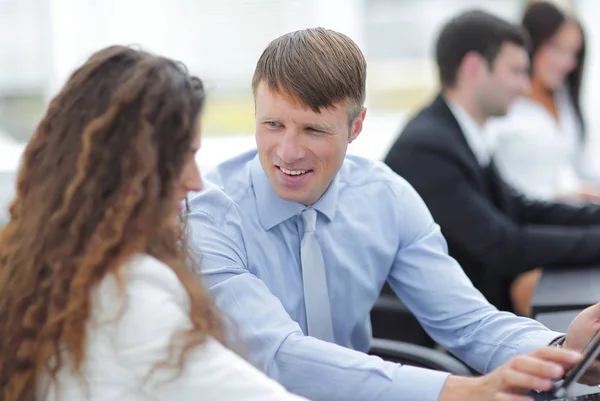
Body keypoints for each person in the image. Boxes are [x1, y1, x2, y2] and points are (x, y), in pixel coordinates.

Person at [189, 26, 600, 401]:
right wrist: (457, 390)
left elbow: (467, 321)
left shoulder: (386, 198)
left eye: (314, 130)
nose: (288, 151)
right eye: (273, 124)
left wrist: (562, 352)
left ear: (356, 126)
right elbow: (280, 357)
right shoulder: (209, 213)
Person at [0, 46, 306, 401]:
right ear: (130, 171)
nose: (195, 181)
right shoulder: (129, 295)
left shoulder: (29, 265)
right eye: (183, 158)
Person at [384, 9, 600, 318]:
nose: (525, 86)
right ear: (473, 67)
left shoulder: (461, 132)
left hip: (473, 311)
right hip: (438, 329)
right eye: (515, 71)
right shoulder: (427, 146)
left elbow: (522, 208)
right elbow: (504, 245)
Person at [485, 1, 600, 202]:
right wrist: (572, 195)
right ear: (531, 42)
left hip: (571, 213)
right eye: (557, 48)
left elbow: (580, 167)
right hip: (528, 219)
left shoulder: (563, 96)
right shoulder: (503, 103)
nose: (567, 63)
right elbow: (497, 186)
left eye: (574, 52)